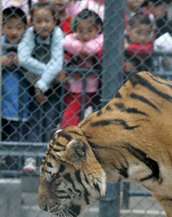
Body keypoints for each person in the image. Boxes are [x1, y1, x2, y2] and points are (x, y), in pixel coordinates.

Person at [18, 2, 65, 172]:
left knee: (51, 121)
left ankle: (49, 158)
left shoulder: (57, 34)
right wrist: (47, 74)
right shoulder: (30, 34)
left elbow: (58, 60)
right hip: (34, 84)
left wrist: (43, 84)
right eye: (38, 21)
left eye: (47, 20)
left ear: (55, 20)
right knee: (34, 120)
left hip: (53, 85)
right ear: (32, 22)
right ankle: (31, 158)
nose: (43, 25)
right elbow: (23, 58)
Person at [60, 8, 103, 127]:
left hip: (88, 87)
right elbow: (66, 42)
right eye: (80, 30)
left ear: (97, 29)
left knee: (69, 115)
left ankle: (68, 135)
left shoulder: (100, 38)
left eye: (89, 30)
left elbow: (93, 48)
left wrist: (78, 48)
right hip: (71, 85)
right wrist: (82, 49)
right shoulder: (73, 37)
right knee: (71, 112)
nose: (84, 34)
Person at [1, 7, 30, 170]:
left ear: (25, 29)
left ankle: (13, 169)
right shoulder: (1, 45)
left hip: (20, 106)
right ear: (2, 27)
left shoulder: (28, 46)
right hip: (2, 102)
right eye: (9, 27)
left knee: (16, 140)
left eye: (19, 28)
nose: (14, 32)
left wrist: (23, 61)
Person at [124, 12, 154, 78]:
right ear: (129, 30)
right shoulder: (122, 40)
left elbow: (144, 50)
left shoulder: (149, 44)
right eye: (139, 32)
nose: (143, 37)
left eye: (147, 33)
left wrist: (127, 47)